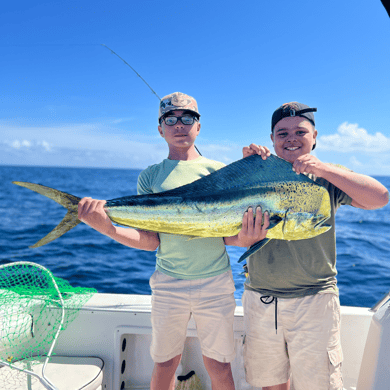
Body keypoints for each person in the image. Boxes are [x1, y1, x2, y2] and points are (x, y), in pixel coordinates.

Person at [77, 92, 268, 390]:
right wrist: (107, 227)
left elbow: (229, 235)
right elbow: (151, 241)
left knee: (219, 365)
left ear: (199, 126)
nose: (180, 125)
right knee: (165, 363)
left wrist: (253, 166)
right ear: (160, 128)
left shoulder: (220, 171)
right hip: (168, 283)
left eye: (187, 118)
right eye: (171, 119)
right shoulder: (151, 176)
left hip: (215, 283)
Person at [241, 102, 389, 390]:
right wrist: (247, 167)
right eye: (282, 133)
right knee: (271, 384)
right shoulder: (257, 175)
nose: (291, 138)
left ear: (315, 136)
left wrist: (323, 168)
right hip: (261, 298)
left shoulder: (328, 177)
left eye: (300, 131)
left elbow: (380, 198)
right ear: (272, 139)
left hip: (315, 301)